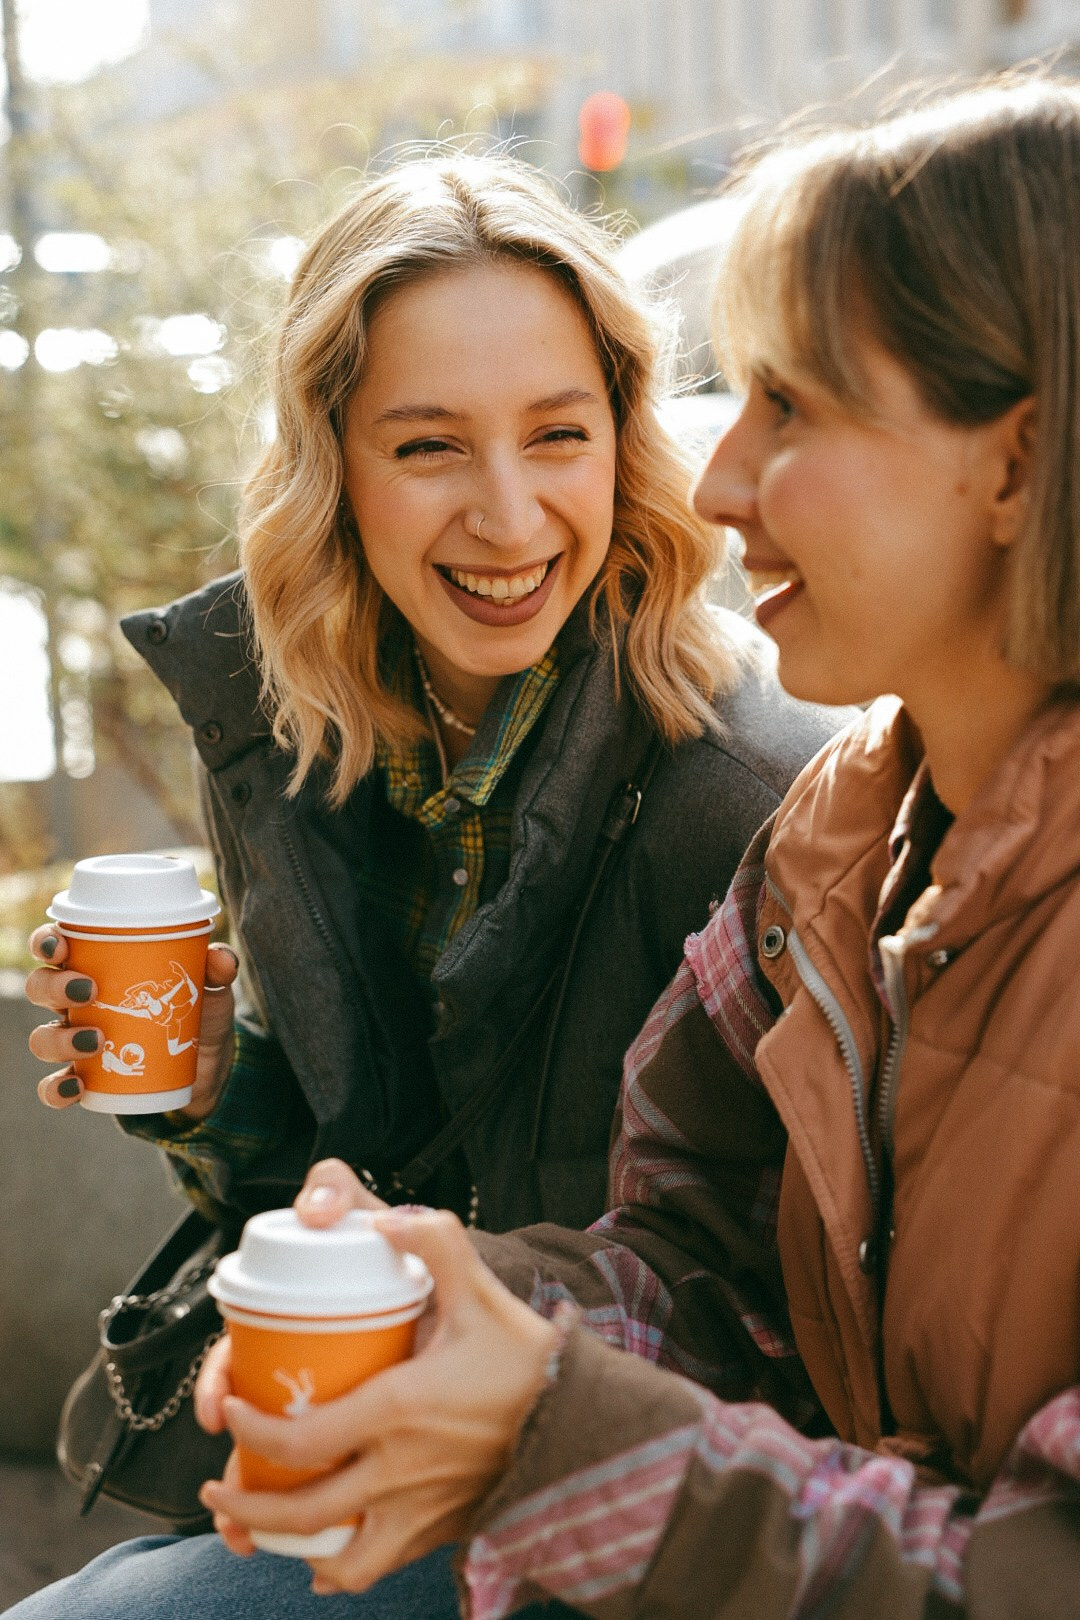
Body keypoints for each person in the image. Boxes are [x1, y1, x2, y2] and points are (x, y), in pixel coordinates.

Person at [179, 74, 1080, 1619]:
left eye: (790, 406)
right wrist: (445, 1300)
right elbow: (690, 1261)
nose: (716, 485)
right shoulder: (837, 842)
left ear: (1013, 463)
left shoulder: (741, 783)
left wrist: (543, 1426)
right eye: (427, 448)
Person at [25, 154, 837, 1240]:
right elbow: (345, 1177)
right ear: (332, 468)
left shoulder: (756, 791)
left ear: (623, 444)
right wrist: (218, 1088)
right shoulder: (285, 726)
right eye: (428, 446)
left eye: (558, 434)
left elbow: (766, 1297)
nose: (508, 519)